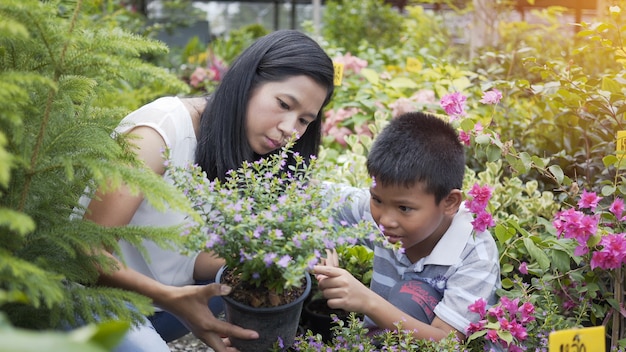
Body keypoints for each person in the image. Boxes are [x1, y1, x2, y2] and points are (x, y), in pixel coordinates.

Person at [79, 29, 336, 352]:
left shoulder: (251, 154)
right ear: (247, 82)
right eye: (284, 104)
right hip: (96, 302)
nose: (289, 128)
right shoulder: (160, 132)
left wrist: (291, 256)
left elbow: (193, 261)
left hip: (166, 305)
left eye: (304, 120)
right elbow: (85, 257)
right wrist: (173, 299)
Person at [314, 111, 501, 343]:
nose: (385, 220)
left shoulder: (475, 253)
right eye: (377, 200)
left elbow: (447, 342)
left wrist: (367, 301)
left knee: (410, 297)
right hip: (374, 343)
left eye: (404, 208)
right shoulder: (377, 210)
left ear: (449, 202)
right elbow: (309, 194)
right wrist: (324, 246)